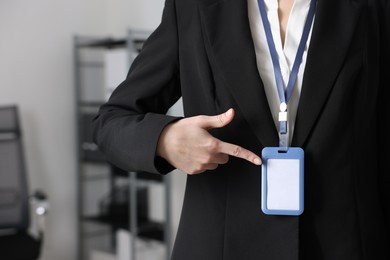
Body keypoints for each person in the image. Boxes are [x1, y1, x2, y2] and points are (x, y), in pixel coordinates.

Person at [93, 0, 390, 259]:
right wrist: (165, 140)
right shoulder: (190, 7)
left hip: (347, 245)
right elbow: (111, 122)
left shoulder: (374, 7)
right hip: (221, 247)